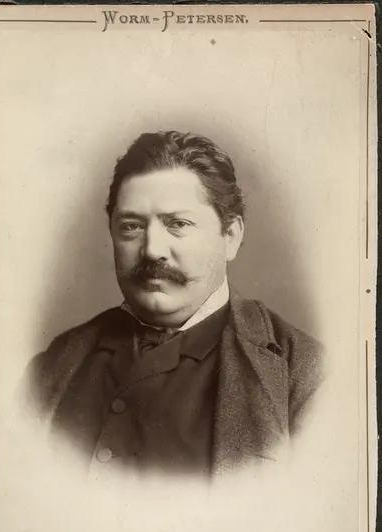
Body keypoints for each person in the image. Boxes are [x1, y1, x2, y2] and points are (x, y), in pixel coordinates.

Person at [24, 130, 323, 476]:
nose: (152, 250)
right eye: (132, 226)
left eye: (178, 224)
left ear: (230, 236)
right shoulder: (51, 365)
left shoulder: (307, 376)